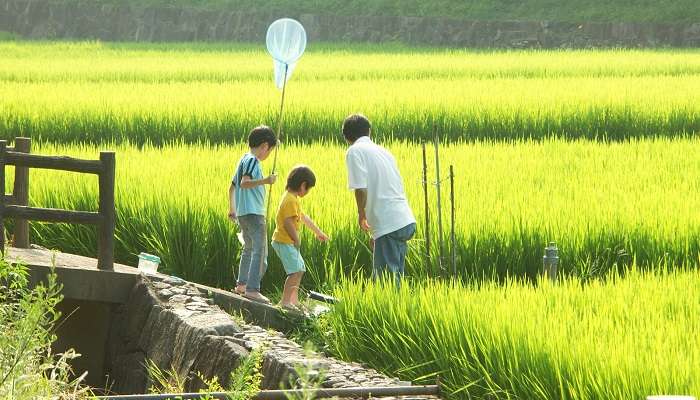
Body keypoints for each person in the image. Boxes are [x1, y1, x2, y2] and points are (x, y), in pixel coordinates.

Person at [342, 113, 416, 285]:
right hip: (404, 220)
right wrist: (377, 231)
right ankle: (396, 310)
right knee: (395, 278)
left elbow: (360, 188)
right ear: (369, 131)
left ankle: (388, 312)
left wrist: (362, 214)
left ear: (347, 137)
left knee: (385, 283)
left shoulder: (354, 152)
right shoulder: (384, 152)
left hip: (388, 224)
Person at [228, 125, 277, 304]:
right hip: (254, 213)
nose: (268, 155)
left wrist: (232, 209)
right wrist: (266, 180)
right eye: (269, 151)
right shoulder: (253, 161)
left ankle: (242, 285)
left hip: (242, 213)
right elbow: (244, 183)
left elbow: (232, 187)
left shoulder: (243, 159)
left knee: (248, 249)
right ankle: (253, 289)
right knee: (259, 250)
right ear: (264, 146)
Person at [271, 165, 329, 311]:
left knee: (300, 269)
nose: (308, 192)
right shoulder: (290, 200)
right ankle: (285, 302)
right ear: (303, 185)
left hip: (286, 241)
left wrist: (318, 232)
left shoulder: (292, 198)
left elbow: (303, 217)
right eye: (308, 189)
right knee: (295, 271)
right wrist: (296, 238)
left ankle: (293, 301)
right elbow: (288, 222)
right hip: (284, 241)